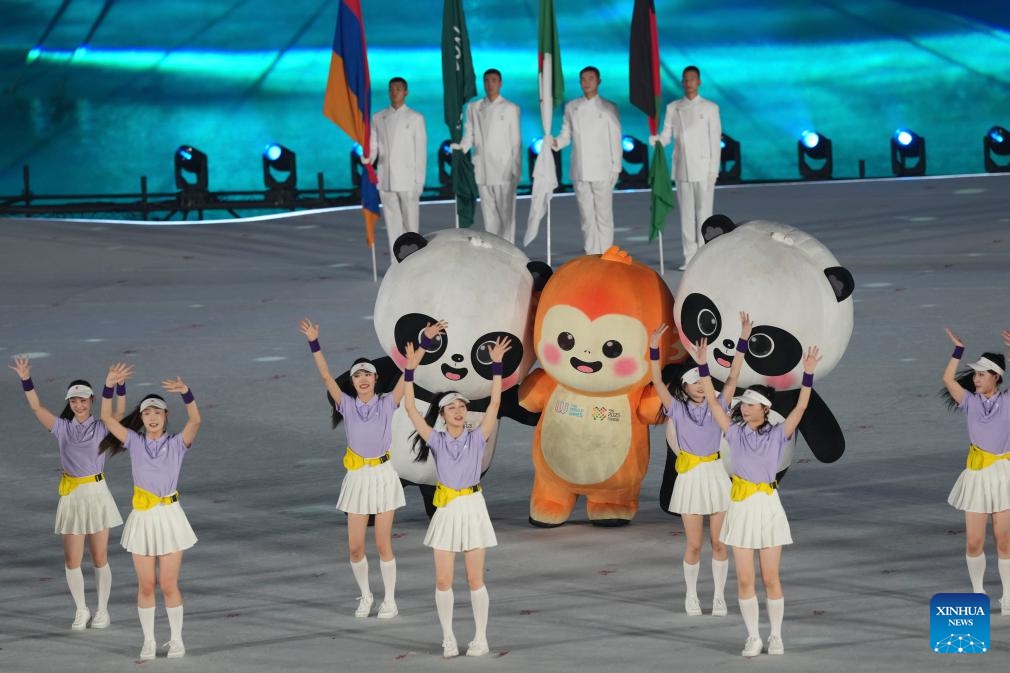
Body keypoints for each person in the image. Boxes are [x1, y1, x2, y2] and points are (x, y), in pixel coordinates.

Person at [698, 337, 821, 657]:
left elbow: (802, 406)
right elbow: (713, 403)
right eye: (744, 404)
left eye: (750, 404)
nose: (744, 407)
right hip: (740, 509)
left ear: (764, 409)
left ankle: (776, 635)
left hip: (767, 508)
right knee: (744, 580)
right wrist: (701, 365)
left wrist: (807, 375)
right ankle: (753, 636)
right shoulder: (734, 432)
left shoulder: (780, 433)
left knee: (770, 578)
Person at [298, 317, 420, 619]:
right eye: (357, 376)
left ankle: (389, 600)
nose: (363, 379)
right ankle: (366, 595)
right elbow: (327, 377)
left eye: (368, 374)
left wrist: (415, 359)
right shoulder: (347, 405)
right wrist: (314, 342)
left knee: (382, 544)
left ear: (375, 379)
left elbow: (406, 383)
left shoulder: (387, 403)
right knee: (355, 547)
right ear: (352, 383)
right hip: (357, 478)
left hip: (383, 476)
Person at [402, 324, 510, 658]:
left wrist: (496, 367)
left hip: (473, 507)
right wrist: (411, 366)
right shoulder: (434, 438)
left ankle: (480, 637)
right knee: (444, 580)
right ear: (443, 415)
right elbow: (409, 406)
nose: (460, 411)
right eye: (453, 408)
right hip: (447, 510)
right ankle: (448, 637)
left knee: (476, 580)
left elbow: (494, 403)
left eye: (462, 407)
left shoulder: (478, 436)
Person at [9, 357, 127, 630]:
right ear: (70, 403)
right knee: (72, 560)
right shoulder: (61, 428)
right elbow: (36, 406)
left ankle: (102, 610)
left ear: (91, 401)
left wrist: (118, 386)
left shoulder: (102, 426)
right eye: (74, 401)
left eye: (83, 400)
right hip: (72, 496)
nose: (79, 405)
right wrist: (26, 379)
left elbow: (120, 411)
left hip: (97, 494)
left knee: (99, 557)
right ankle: (81, 609)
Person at [649, 313, 751, 618]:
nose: (698, 387)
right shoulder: (676, 408)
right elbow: (655, 379)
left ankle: (719, 596)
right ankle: (691, 595)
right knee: (693, 545)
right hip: (690, 478)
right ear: (684, 385)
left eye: (701, 382)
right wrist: (654, 349)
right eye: (692, 383)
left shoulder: (720, 404)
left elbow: (733, 377)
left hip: (716, 475)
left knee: (719, 543)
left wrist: (743, 339)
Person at [99, 363, 201, 660]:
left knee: (169, 584)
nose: (152, 417)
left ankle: (177, 641)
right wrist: (108, 385)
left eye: (157, 412)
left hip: (170, 518)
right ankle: (148, 641)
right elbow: (106, 417)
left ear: (165, 416)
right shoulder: (134, 441)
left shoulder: (178, 443)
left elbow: (196, 420)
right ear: (141, 418)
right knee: (146, 585)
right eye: (147, 413)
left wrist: (187, 393)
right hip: (143, 519)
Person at [942, 327, 1010, 615]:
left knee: (1005, 541)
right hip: (977, 475)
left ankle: (1008, 597)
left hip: (1004, 474)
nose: (976, 378)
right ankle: (978, 593)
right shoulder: (969, 402)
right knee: (974, 541)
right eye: (976, 374)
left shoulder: (1008, 402)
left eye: (982, 373)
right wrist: (957, 351)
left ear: (996, 376)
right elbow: (948, 379)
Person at [651, 66, 722, 270]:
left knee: (704, 214)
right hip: (682, 168)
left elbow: (714, 141)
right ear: (682, 82)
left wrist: (713, 171)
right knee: (687, 216)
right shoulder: (674, 107)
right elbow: (667, 135)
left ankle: (705, 254)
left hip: (703, 169)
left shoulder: (710, 108)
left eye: (692, 79)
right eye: (686, 79)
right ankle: (689, 256)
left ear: (699, 82)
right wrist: (657, 140)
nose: (689, 82)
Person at [553, 66, 622, 255]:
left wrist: (616, 167)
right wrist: (556, 142)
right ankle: (592, 253)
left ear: (598, 81)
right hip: (580, 169)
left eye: (590, 78)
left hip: (603, 169)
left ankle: (607, 253)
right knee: (586, 216)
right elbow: (566, 135)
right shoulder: (572, 107)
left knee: (604, 215)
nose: (586, 82)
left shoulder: (609, 107)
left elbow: (615, 138)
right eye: (583, 79)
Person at [452, 68, 522, 242]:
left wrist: (516, 168)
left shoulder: (510, 108)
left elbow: (516, 142)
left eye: (494, 80)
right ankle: (493, 250)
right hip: (482, 168)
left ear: (500, 83)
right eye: (487, 80)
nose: (490, 84)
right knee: (489, 215)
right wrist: (462, 148)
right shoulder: (474, 107)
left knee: (506, 215)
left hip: (504, 169)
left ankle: (508, 251)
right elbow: (470, 133)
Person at [365, 77, 427, 258]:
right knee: (393, 225)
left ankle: (415, 262)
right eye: (392, 89)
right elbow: (374, 145)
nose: (395, 92)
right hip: (386, 179)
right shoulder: (378, 117)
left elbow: (420, 152)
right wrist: (368, 157)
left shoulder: (415, 118)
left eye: (399, 89)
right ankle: (396, 263)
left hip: (408, 180)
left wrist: (419, 181)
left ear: (406, 92)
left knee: (410, 225)